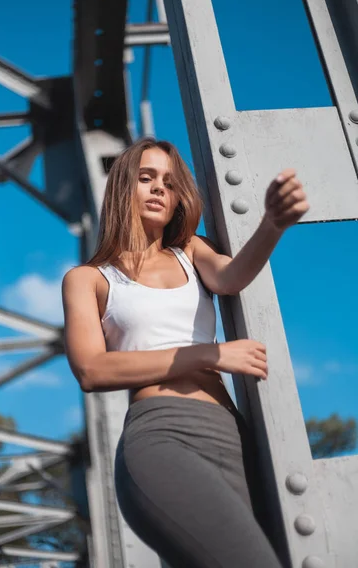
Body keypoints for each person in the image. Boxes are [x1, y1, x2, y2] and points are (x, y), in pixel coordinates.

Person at [62, 137, 309, 568]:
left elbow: (231, 278)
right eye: (146, 177)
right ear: (123, 187)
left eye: (170, 183)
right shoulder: (88, 279)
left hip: (231, 436)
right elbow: (92, 369)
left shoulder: (190, 250)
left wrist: (272, 223)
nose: (159, 188)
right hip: (160, 438)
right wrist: (207, 356)